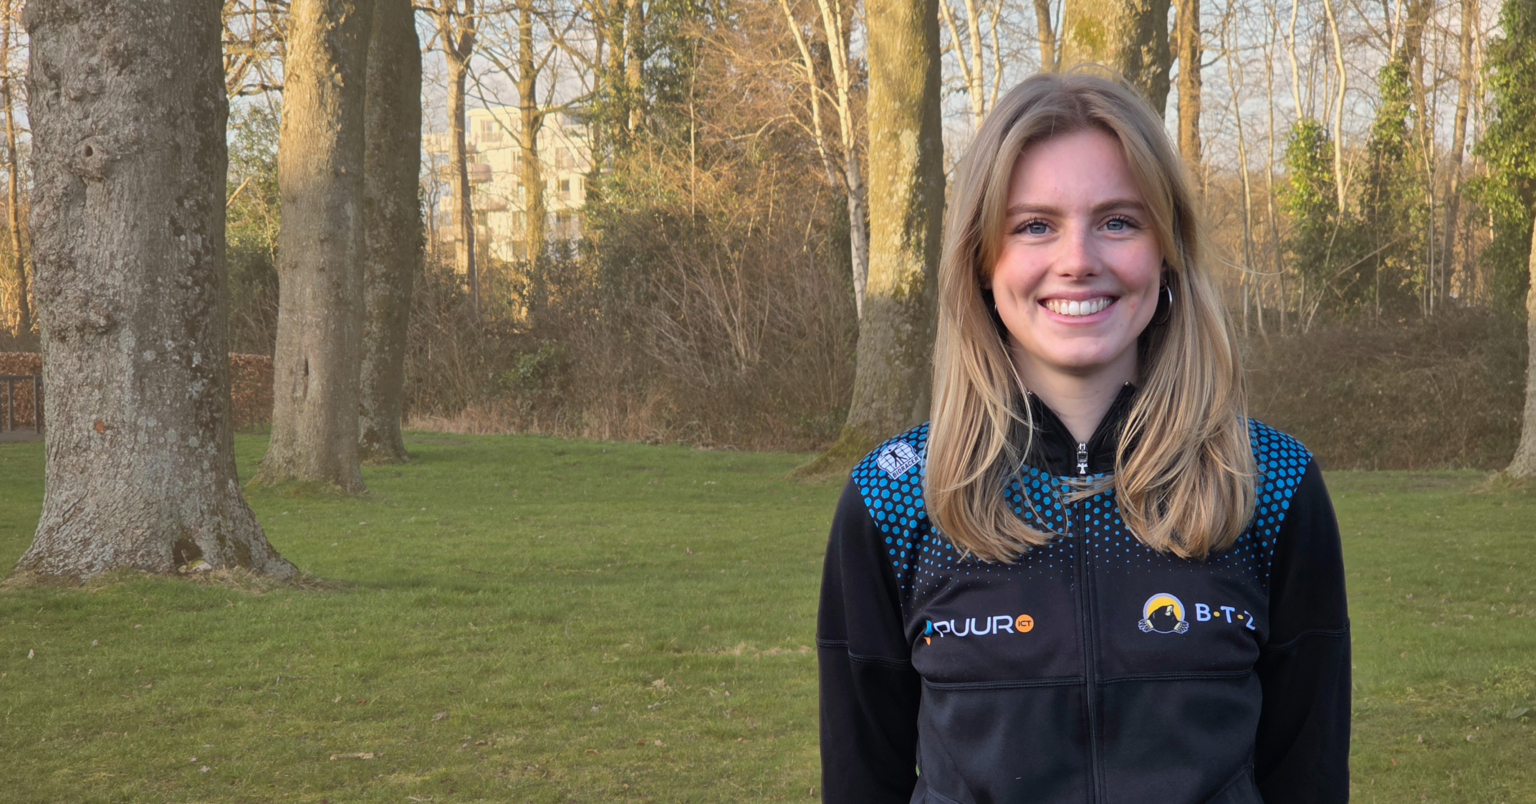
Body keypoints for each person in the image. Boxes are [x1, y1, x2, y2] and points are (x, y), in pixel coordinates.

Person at [816, 71, 1350, 804]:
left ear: (1166, 250)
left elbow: (1307, 777)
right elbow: (861, 779)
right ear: (982, 260)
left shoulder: (1271, 483)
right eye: (1034, 225)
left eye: (1118, 222)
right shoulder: (894, 497)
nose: (1077, 260)